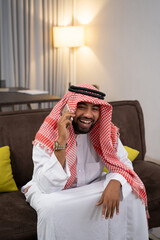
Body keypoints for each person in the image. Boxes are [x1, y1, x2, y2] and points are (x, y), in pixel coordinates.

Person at [22, 84, 149, 240]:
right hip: (56, 193)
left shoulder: (105, 132)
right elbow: (48, 186)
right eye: (82, 107)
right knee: (50, 208)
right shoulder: (48, 134)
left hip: (90, 187)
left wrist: (115, 182)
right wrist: (62, 140)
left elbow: (123, 163)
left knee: (130, 191)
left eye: (95, 109)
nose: (89, 115)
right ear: (69, 107)